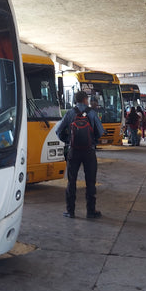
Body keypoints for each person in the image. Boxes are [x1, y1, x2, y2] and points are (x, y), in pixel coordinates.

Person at [56, 90, 104, 219]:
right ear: (85, 100)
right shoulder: (92, 113)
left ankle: (70, 211)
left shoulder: (70, 113)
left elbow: (58, 130)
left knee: (71, 181)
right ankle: (90, 211)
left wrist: (68, 141)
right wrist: (92, 140)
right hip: (89, 151)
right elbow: (100, 132)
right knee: (90, 181)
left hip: (74, 151)